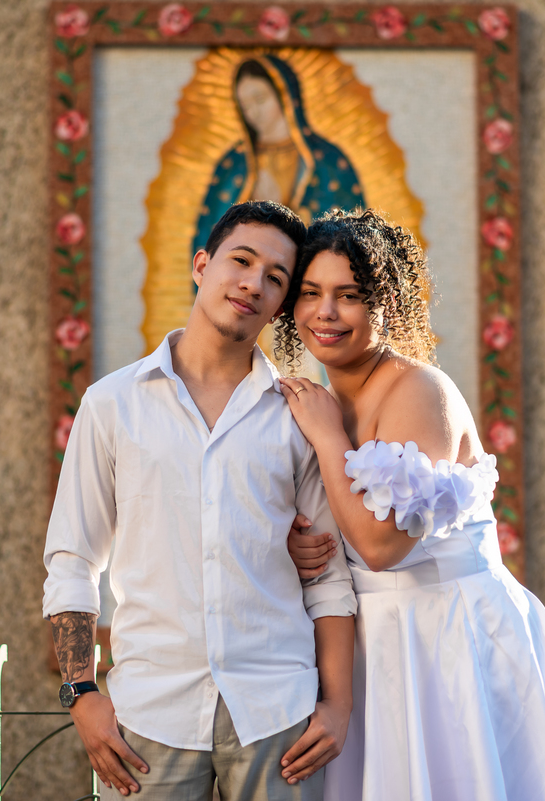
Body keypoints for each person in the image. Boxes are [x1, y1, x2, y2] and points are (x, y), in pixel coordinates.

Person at [274, 208, 545, 801]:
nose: (325, 312)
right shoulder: (314, 400)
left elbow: (379, 546)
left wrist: (327, 437)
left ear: (386, 302)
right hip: (364, 648)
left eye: (348, 295)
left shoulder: (418, 390)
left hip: (449, 642)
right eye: (311, 293)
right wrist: (300, 544)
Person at [43, 200, 357, 800]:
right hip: (149, 716)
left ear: (283, 303)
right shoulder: (112, 405)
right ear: (201, 264)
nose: (253, 284)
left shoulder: (300, 416)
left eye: (275, 278)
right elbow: (72, 561)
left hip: (277, 715)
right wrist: (81, 694)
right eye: (241, 261)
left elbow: (329, 577)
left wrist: (336, 706)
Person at [191, 54, 364, 261]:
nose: (254, 112)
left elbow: (352, 238)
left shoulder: (326, 161)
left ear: (284, 95)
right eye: (245, 106)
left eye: (260, 99)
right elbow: (210, 238)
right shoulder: (234, 165)